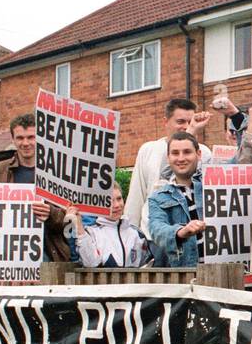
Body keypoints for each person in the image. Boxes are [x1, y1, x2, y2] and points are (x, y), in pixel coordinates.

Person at [0, 113, 70, 262]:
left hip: (47, 254)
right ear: (13, 140)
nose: (25, 143)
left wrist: (51, 213)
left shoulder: (57, 174)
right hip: (7, 255)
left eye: (31, 137)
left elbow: (71, 222)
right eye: (20, 138)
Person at [124, 98, 212, 235]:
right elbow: (137, 194)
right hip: (154, 235)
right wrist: (130, 234)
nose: (186, 126)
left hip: (195, 233)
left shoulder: (204, 152)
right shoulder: (149, 149)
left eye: (190, 122)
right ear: (166, 121)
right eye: (180, 122)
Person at [146, 131, 204, 268]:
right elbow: (156, 229)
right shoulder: (157, 197)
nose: (181, 158)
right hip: (186, 279)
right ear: (168, 158)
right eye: (175, 153)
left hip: (222, 275)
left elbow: (242, 161)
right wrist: (180, 232)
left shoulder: (215, 183)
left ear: (199, 154)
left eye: (187, 152)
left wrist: (240, 119)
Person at [64, 186, 151, 268]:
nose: (116, 205)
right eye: (110, 201)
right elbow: (90, 263)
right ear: (100, 203)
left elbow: (147, 265)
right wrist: (79, 226)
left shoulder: (137, 234)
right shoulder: (91, 233)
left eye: (119, 199)